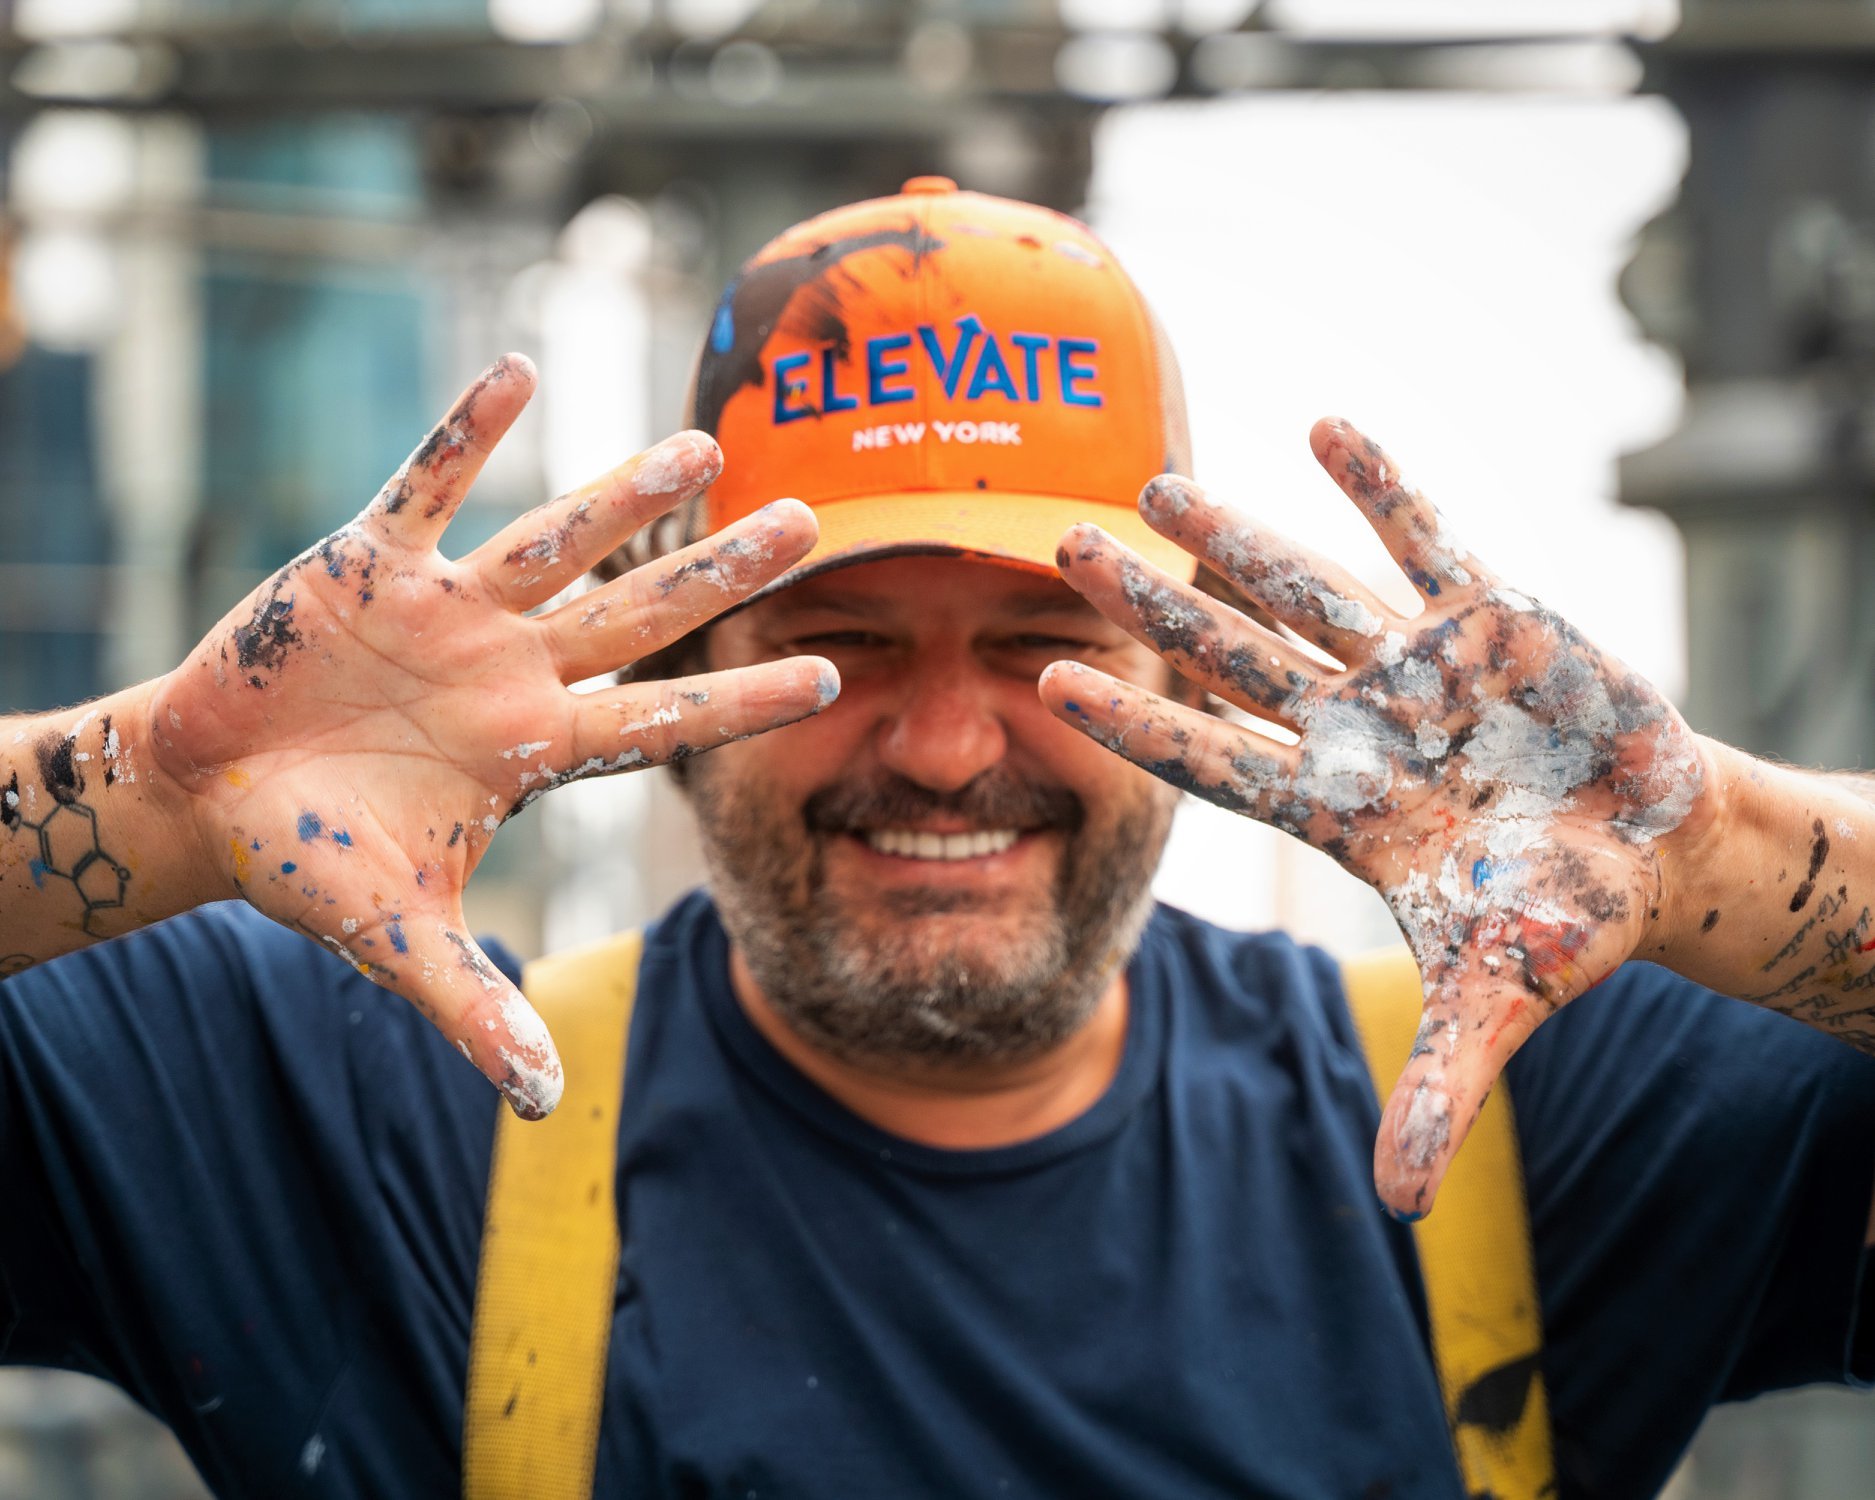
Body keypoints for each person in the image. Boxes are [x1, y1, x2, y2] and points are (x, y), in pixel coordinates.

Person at [1, 176, 1871, 1500]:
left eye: (1050, 646)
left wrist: (1712, 856)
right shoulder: (357, 1120)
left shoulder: (1531, 1127)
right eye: (839, 645)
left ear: (1198, 676)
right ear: (673, 670)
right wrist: (148, 796)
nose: (949, 744)